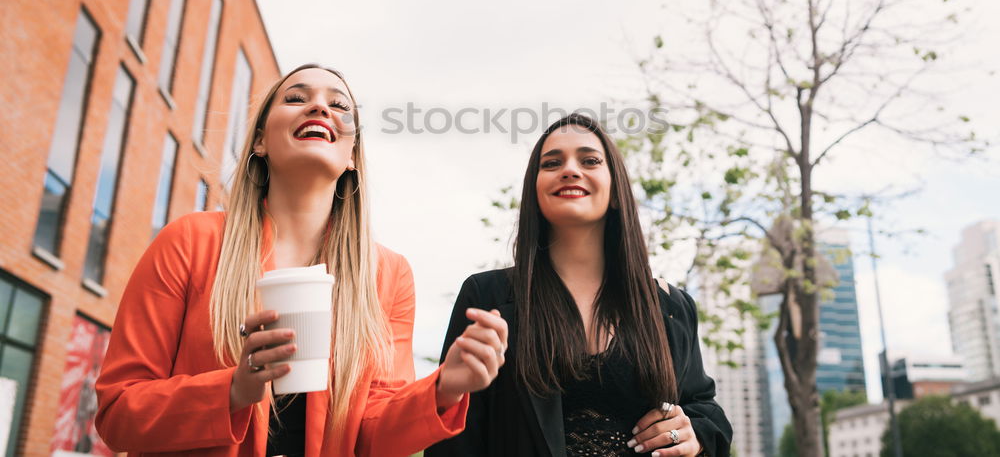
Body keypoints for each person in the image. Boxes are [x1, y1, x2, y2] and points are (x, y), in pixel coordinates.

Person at [96, 65, 508, 457]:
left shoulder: (388, 275)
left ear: (352, 156)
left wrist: (442, 391)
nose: (320, 107)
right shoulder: (190, 241)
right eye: (296, 97)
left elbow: (370, 436)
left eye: (339, 105)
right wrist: (233, 391)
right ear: (259, 141)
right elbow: (117, 413)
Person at [426, 113, 732, 457]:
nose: (570, 170)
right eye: (552, 163)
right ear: (535, 192)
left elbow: (704, 407)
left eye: (589, 160)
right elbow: (455, 439)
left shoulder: (671, 306)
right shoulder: (489, 298)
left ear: (616, 190)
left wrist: (696, 435)